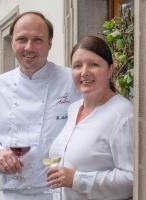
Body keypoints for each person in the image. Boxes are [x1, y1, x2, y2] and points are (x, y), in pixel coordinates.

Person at [0, 11, 80, 200]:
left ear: (50, 43)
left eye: (37, 40)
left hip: (61, 193)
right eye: (22, 39)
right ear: (12, 42)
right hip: (12, 193)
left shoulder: (71, 81)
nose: (29, 47)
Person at [46, 36, 133, 200]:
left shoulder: (123, 114)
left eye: (93, 64)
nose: (84, 72)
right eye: (77, 66)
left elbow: (132, 180)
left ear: (110, 69)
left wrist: (77, 180)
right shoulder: (73, 109)